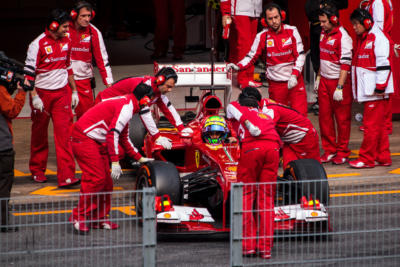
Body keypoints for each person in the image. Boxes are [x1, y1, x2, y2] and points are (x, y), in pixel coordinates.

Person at [69, 83, 155, 234]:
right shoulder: (127, 108)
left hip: (95, 140)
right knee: (96, 178)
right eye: (149, 101)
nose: (149, 105)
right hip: (83, 137)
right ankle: (79, 216)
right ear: (143, 100)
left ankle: (99, 218)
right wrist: (115, 161)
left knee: (106, 182)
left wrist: (140, 158)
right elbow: (113, 134)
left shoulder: (129, 105)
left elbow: (124, 138)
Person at [24, 9, 79, 186]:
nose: (67, 30)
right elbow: (28, 76)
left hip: (62, 94)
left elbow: (68, 67)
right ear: (54, 25)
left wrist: (75, 91)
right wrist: (34, 97)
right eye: (64, 27)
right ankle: (37, 170)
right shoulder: (36, 44)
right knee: (39, 134)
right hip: (41, 95)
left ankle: (67, 176)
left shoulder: (68, 40)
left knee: (65, 136)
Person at [226, 92, 281, 259]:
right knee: (266, 199)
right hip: (273, 149)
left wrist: (247, 124)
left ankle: (247, 246)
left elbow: (230, 109)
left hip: (252, 149)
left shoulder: (236, 106)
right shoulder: (266, 112)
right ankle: (265, 249)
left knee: (246, 195)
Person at [228, 3, 308, 116]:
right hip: (276, 87)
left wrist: (294, 75)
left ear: (282, 16)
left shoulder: (292, 31)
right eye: (270, 19)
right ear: (265, 21)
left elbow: (300, 55)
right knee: (278, 120)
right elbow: (251, 56)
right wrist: (238, 66)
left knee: (301, 118)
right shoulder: (261, 36)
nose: (274, 21)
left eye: (276, 17)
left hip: (294, 82)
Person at [96, 67, 193, 149]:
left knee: (120, 148)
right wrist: (157, 137)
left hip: (117, 110)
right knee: (106, 147)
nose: (170, 90)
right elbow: (145, 113)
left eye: (172, 87)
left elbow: (168, 108)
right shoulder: (144, 87)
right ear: (160, 80)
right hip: (104, 107)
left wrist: (181, 128)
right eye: (168, 86)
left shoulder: (157, 89)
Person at [233, 87, 320, 168]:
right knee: (290, 170)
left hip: (305, 139)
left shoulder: (269, 111)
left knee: (311, 172)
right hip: (290, 141)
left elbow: (262, 135)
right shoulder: (262, 104)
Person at [349, 8, 393, 168]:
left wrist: (380, 87)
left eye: (355, 24)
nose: (354, 27)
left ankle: (367, 159)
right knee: (379, 127)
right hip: (371, 91)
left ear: (366, 22)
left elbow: (384, 63)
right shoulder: (365, 37)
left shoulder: (377, 37)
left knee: (371, 127)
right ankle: (383, 157)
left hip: (375, 91)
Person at [315, 6, 353, 164]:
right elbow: (322, 58)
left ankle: (343, 151)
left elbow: (345, 65)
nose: (321, 24)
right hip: (324, 81)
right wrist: (318, 77)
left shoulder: (343, 37)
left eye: (324, 21)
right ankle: (330, 150)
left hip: (339, 83)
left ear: (334, 20)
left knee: (342, 120)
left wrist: (340, 87)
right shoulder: (323, 33)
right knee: (324, 118)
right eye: (320, 21)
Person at [68, 1, 114, 119]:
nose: (87, 19)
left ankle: (82, 138)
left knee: (86, 116)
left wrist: (109, 83)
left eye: (89, 16)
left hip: (84, 80)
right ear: (74, 15)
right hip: (64, 79)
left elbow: (102, 59)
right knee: (64, 116)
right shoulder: (64, 28)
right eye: (83, 16)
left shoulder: (94, 32)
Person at [362, 0, 394, 134]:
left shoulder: (378, 3)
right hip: (382, 42)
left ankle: (383, 124)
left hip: (379, 44)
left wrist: (370, 43)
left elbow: (379, 28)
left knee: (382, 84)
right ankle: (382, 123)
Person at [0, 81, 26, 232]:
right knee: (3, 186)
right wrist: (21, 92)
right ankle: (2, 222)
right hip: (3, 147)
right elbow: (12, 110)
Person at [220, 0, 263, 88]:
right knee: (244, 45)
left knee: (253, 45)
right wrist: (225, 12)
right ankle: (243, 80)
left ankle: (249, 77)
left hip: (255, 10)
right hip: (240, 10)